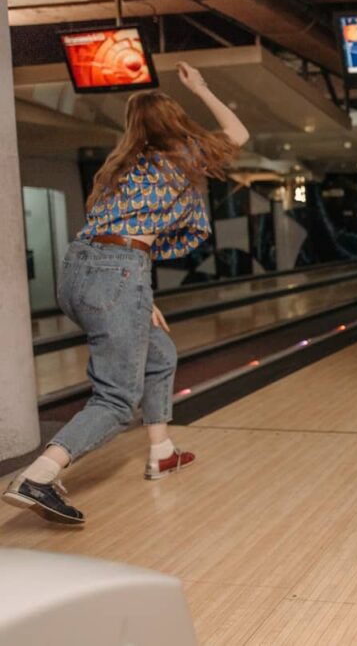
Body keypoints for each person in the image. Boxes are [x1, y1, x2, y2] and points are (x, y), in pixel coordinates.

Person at [3, 62, 249, 525]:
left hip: (80, 270)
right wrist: (202, 87)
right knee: (116, 400)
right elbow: (237, 132)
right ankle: (40, 474)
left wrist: (138, 295)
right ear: (173, 121)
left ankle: (162, 451)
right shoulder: (178, 157)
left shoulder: (121, 167)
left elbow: (116, 237)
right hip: (117, 273)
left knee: (161, 355)